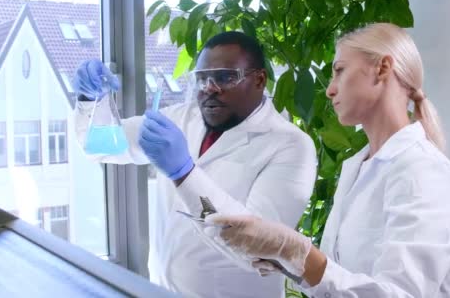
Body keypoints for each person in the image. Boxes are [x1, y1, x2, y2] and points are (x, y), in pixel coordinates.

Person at [207, 23, 450, 297]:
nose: (330, 90)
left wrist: (296, 252)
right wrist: (281, 256)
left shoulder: (423, 171)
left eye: (340, 71)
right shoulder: (358, 165)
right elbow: (342, 278)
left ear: (383, 68)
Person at [73, 31, 317, 297]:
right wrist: (88, 99)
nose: (210, 88)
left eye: (225, 77)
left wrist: (184, 173)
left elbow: (256, 249)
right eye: (202, 78)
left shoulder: (291, 146)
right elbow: (99, 145)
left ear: (259, 80)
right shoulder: (179, 118)